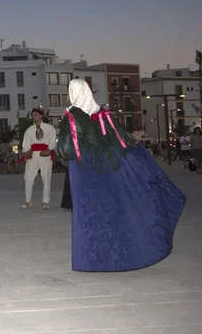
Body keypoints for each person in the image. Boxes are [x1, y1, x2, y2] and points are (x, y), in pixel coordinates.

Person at [56, 79, 186, 272]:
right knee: (111, 211)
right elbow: (122, 140)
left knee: (90, 215)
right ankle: (122, 253)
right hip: (108, 171)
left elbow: (65, 147)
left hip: (85, 174)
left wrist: (62, 156)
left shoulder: (72, 116)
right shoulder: (102, 115)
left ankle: (94, 259)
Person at [21, 108, 56, 210]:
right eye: (32, 115)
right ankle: (28, 201)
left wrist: (49, 149)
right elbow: (26, 144)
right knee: (28, 178)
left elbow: (53, 141)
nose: (34, 116)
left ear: (41, 116)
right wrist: (26, 152)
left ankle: (46, 202)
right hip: (33, 154)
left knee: (46, 178)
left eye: (36, 114)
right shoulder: (29, 130)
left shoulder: (49, 128)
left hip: (45, 154)